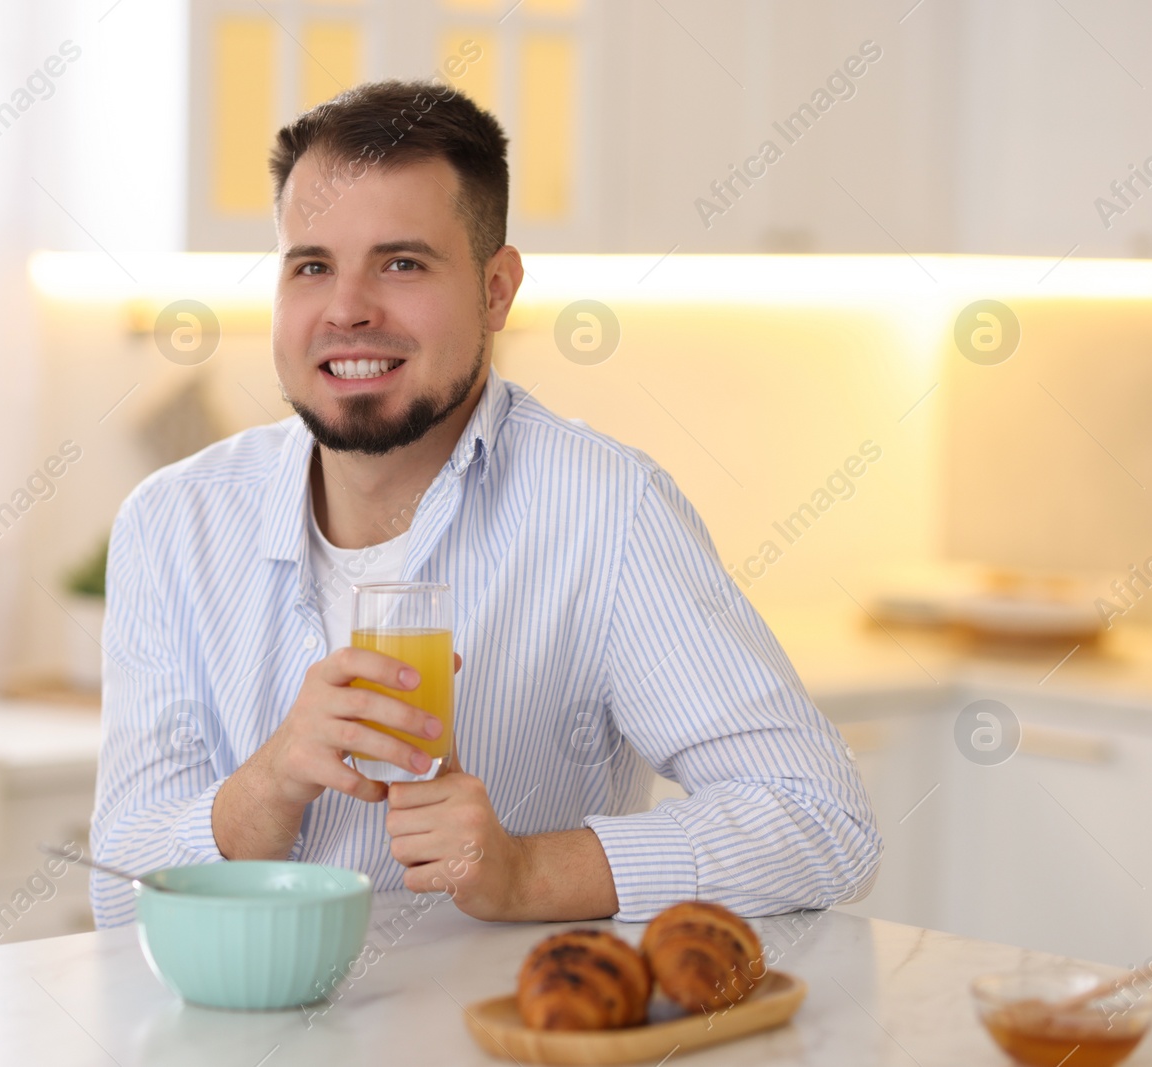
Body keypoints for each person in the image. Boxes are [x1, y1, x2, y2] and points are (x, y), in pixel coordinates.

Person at [91, 79, 880, 927]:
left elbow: (821, 819)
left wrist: (530, 871)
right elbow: (115, 893)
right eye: (312, 266)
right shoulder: (172, 522)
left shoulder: (607, 510)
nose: (348, 309)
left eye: (402, 263)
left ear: (497, 289)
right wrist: (274, 778)